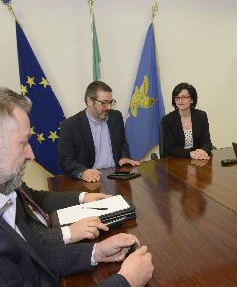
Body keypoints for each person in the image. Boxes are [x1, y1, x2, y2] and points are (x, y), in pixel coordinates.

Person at [0, 86, 153, 286]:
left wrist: (96, 252)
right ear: (89, 101)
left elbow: (37, 258)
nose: (31, 155)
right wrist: (126, 281)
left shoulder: (7, 191)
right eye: (23, 143)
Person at [59, 81, 139, 182]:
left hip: (116, 175)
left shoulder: (116, 117)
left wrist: (123, 157)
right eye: (104, 103)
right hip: (90, 180)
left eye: (110, 102)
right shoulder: (70, 125)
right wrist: (83, 172)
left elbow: (122, 143)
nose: (109, 107)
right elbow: (66, 160)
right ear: (89, 101)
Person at [160, 83, 212, 160]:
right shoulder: (167, 120)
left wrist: (203, 151)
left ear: (192, 100)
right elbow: (171, 148)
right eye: (177, 97)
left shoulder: (201, 116)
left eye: (184, 97)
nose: (180, 100)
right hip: (176, 160)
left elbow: (206, 142)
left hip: (197, 160)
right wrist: (191, 154)